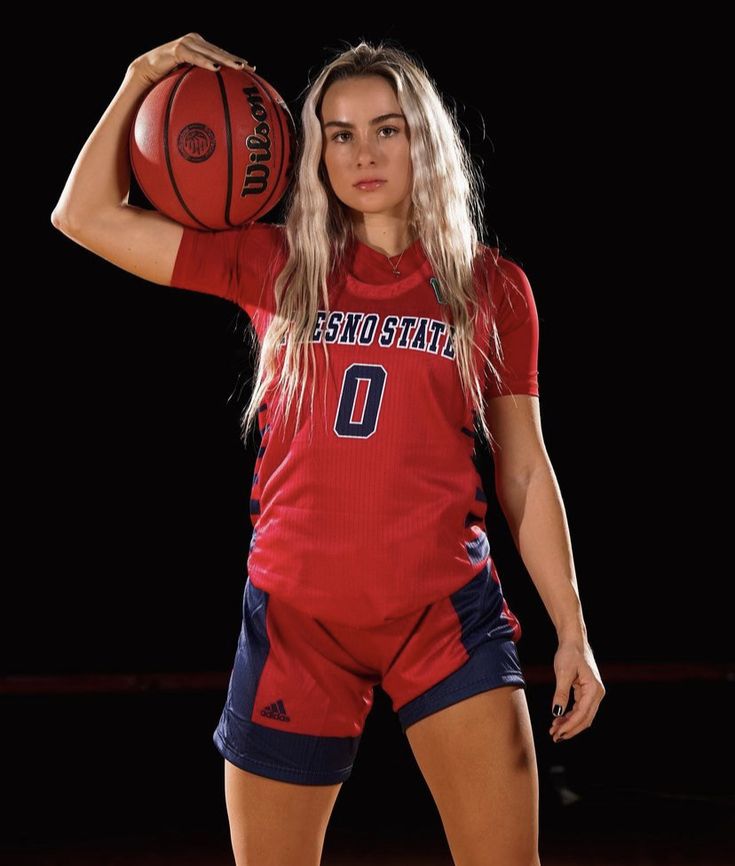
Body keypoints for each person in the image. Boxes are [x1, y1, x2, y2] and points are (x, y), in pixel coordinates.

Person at [51, 33, 605, 866]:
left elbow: (523, 467)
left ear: (425, 136)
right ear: (313, 152)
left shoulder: (492, 286)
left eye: (386, 128)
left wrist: (571, 628)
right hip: (297, 619)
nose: (363, 153)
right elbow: (81, 216)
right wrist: (139, 79)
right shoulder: (271, 262)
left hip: (443, 616)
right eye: (339, 133)